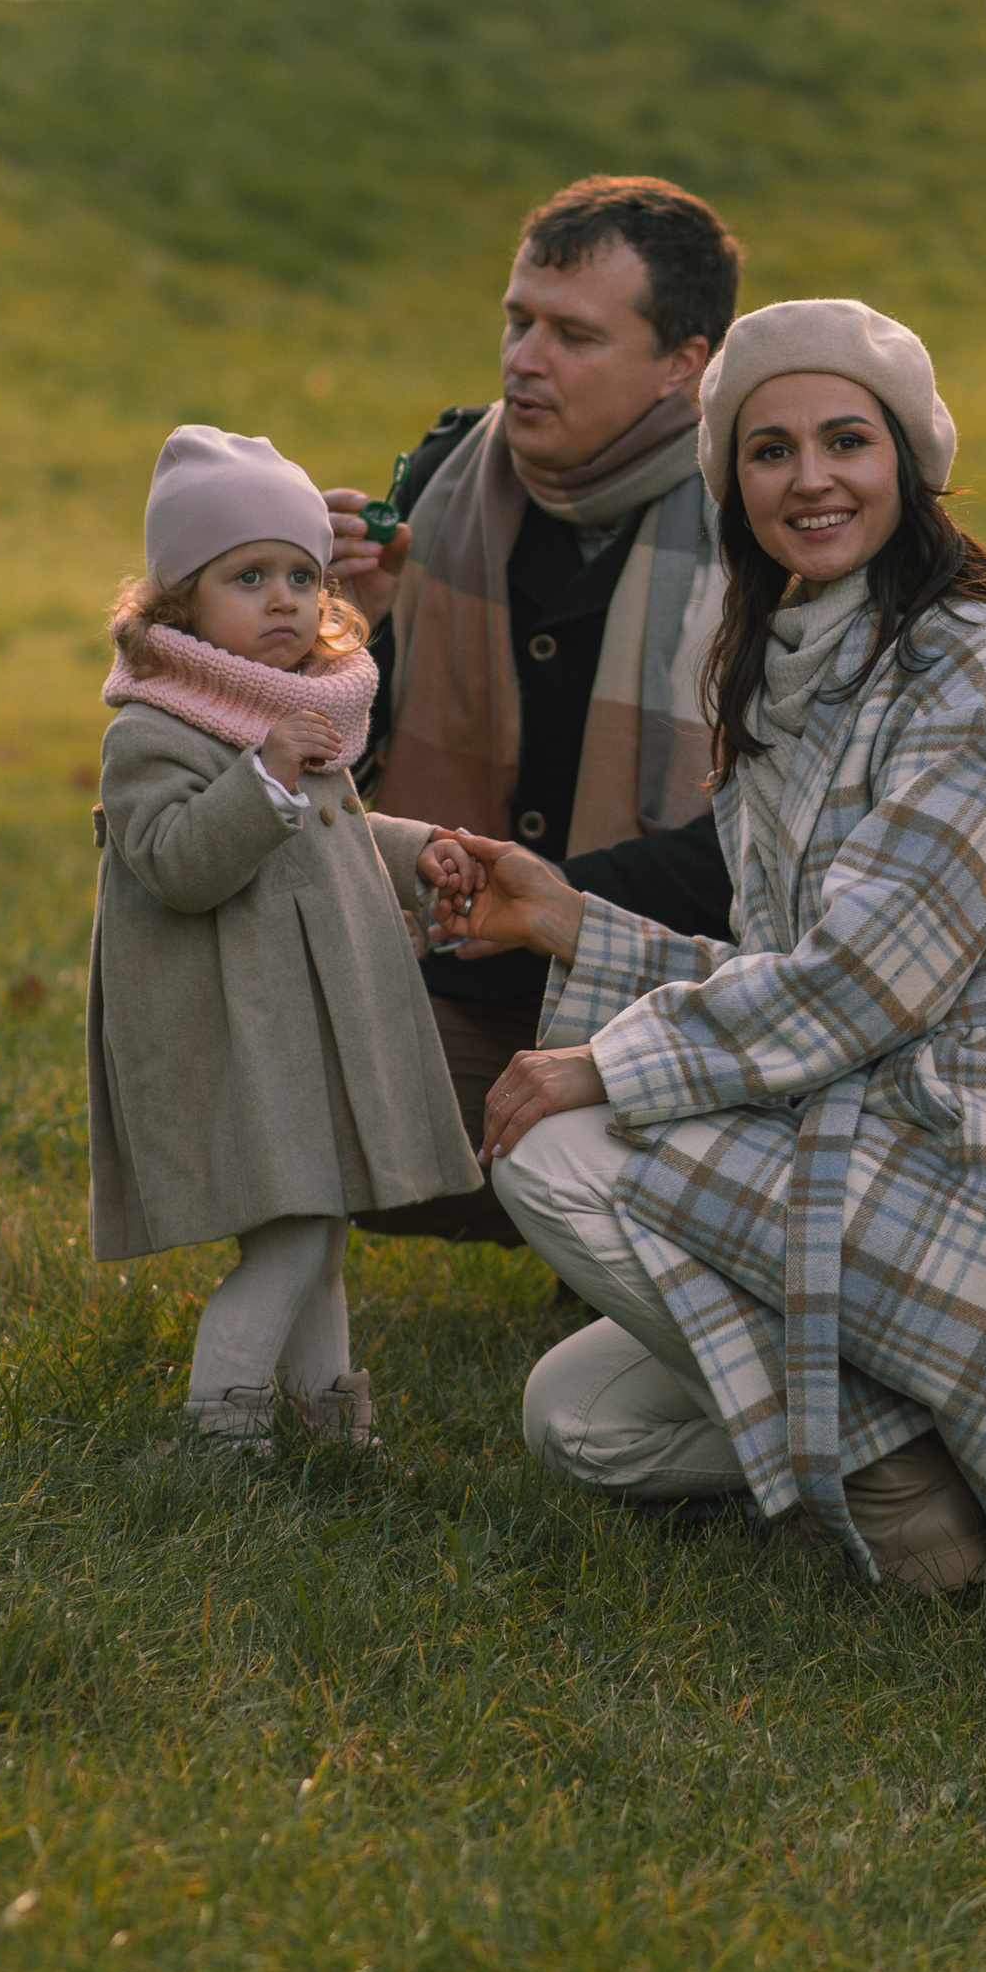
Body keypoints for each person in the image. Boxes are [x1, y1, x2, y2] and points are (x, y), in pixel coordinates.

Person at [432, 297, 986, 1611]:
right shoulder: (785, 656)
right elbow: (798, 965)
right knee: (578, 1416)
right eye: (769, 451)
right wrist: (566, 922)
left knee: (551, 1141)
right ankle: (938, 1457)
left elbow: (866, 981)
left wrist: (606, 1059)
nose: (810, 478)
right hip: (873, 1104)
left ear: (908, 459)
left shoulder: (967, 661)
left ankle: (901, 1497)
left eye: (846, 441)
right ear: (732, 479)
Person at [322, 176, 740, 1226]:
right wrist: (344, 636)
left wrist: (558, 903)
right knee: (264, 1070)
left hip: (679, 1003)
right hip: (458, 982)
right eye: (517, 320)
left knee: (646, 1195)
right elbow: (315, 787)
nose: (523, 359)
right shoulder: (441, 482)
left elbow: (766, 842)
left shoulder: (770, 529)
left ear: (684, 365)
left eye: (574, 336)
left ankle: (626, 1210)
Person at [86, 423, 486, 1447]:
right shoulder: (154, 728)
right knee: (295, 1231)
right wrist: (262, 776)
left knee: (322, 1228)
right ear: (179, 602)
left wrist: (413, 853)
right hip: (234, 1038)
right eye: (247, 575)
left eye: (303, 577)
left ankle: (328, 1421)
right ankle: (222, 1421)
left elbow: (328, 827)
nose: (283, 600)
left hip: (307, 1030)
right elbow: (174, 862)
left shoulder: (295, 712)